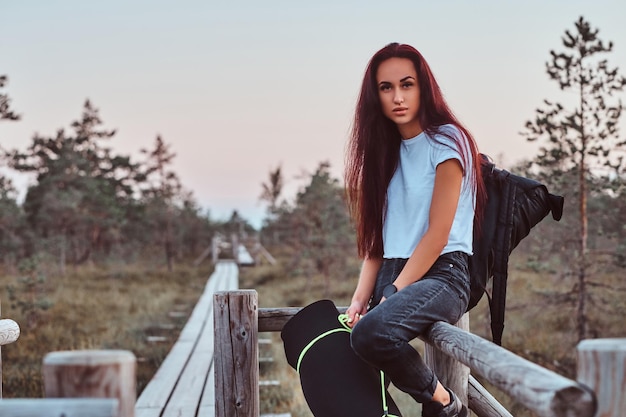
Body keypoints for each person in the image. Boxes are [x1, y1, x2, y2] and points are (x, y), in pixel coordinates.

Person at [344, 42, 486, 417]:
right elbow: (377, 242)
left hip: (443, 273)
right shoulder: (382, 153)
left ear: (424, 87)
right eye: (385, 87)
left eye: (406, 84)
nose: (397, 97)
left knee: (372, 335)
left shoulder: (448, 140)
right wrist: (361, 299)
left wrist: (393, 292)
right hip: (394, 272)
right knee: (355, 377)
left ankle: (443, 402)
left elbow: (438, 233)